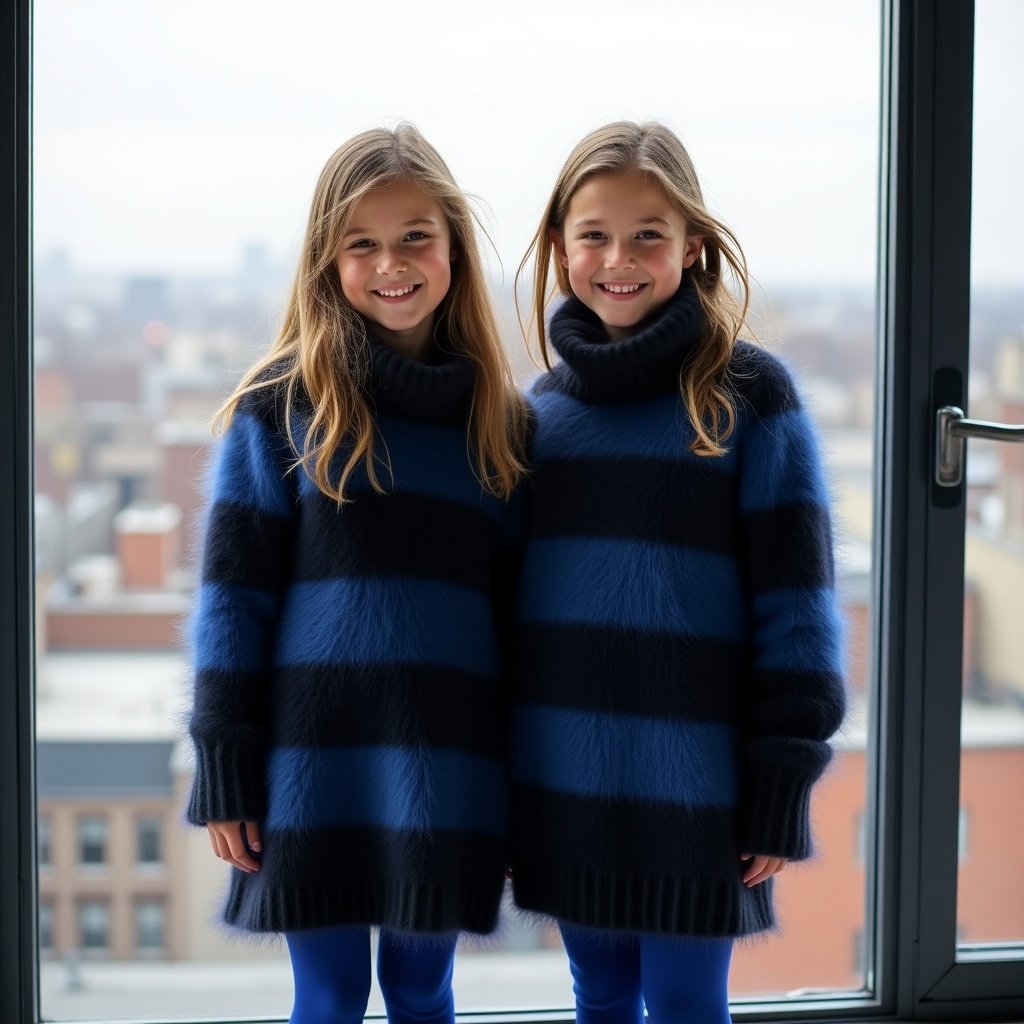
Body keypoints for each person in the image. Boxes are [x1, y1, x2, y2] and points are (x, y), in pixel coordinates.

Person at [185, 123, 529, 1024]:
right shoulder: (281, 407)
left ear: (453, 243)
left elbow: (516, 618)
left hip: (449, 761)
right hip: (313, 763)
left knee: (423, 989)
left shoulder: (498, 423)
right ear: (324, 261)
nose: (393, 263)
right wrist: (226, 760)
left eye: (417, 235)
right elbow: (233, 604)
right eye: (362, 244)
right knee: (329, 995)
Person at [509, 121, 847, 1023]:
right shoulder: (539, 414)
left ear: (693, 243)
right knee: (602, 996)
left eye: (648, 234)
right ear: (560, 245)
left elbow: (799, 611)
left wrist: (780, 781)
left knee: (690, 1004)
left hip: (699, 789)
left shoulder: (749, 395)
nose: (619, 258)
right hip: (567, 781)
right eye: (594, 235)